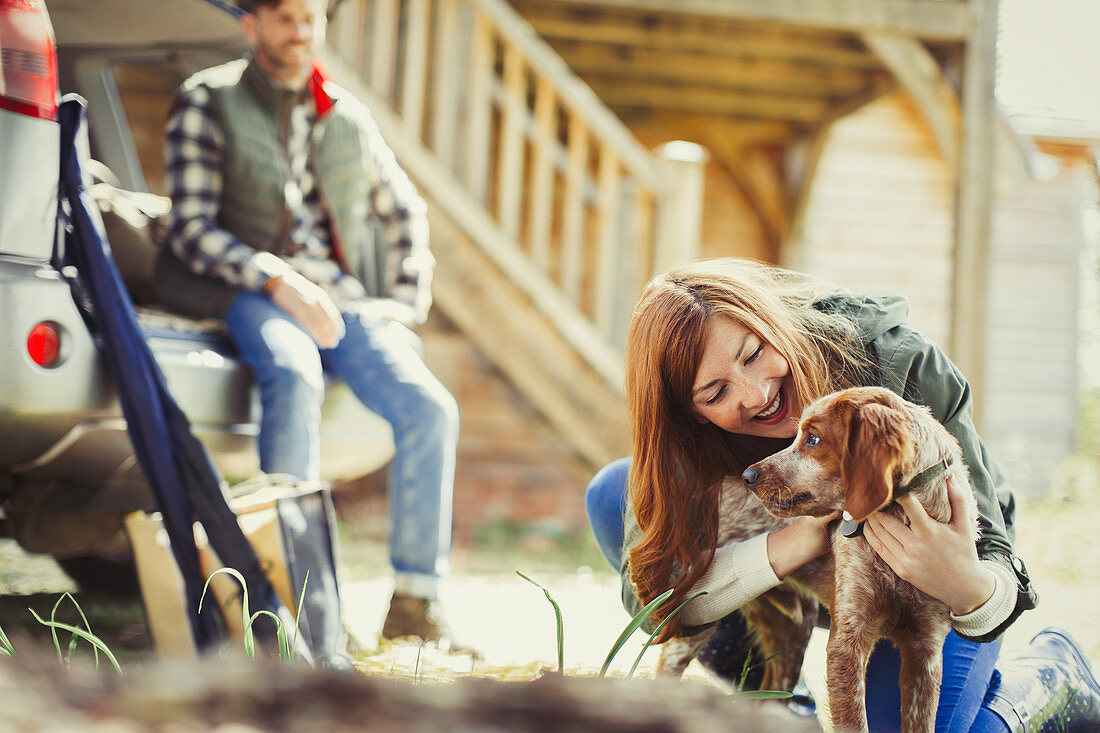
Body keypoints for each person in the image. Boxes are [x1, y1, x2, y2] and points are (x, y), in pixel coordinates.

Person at [586, 258, 1100, 731]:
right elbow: (653, 604)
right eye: (715, 393)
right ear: (691, 413)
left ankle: (1053, 677)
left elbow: (995, 553)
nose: (756, 394)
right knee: (616, 492)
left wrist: (965, 586)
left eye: (755, 354)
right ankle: (780, 705)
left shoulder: (897, 365)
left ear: (773, 325)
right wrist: (789, 545)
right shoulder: (684, 441)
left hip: (926, 580)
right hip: (811, 574)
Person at [158, 0, 460, 647]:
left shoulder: (347, 116)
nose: (299, 32)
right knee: (293, 374)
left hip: (340, 298)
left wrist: (404, 299)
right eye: (284, 18)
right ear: (252, 25)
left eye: (309, 18)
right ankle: (295, 602)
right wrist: (274, 276)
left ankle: (415, 604)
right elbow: (187, 227)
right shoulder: (207, 100)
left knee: (429, 408)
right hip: (245, 287)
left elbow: (404, 207)